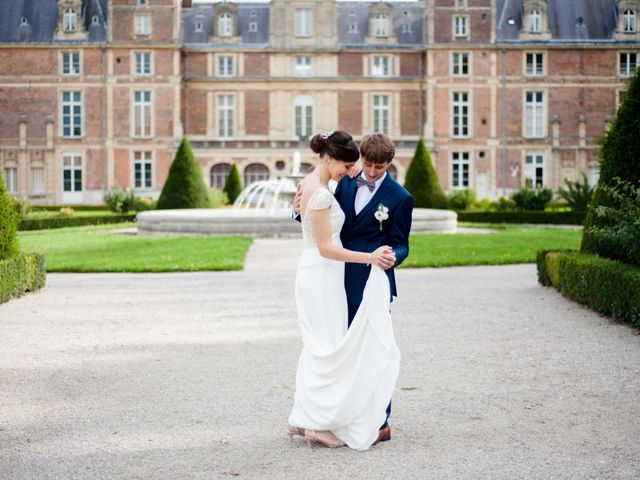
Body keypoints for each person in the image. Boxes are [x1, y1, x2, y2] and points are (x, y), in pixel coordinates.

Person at [287, 130, 412, 451]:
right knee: (334, 351)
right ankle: (328, 417)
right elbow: (317, 221)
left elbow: (401, 244)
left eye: (378, 169)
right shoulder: (341, 180)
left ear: (389, 165)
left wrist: (390, 257)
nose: (371, 172)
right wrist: (296, 207)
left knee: (375, 348)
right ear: (359, 161)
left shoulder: (400, 198)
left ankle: (379, 422)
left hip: (370, 281)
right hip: (332, 279)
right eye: (367, 165)